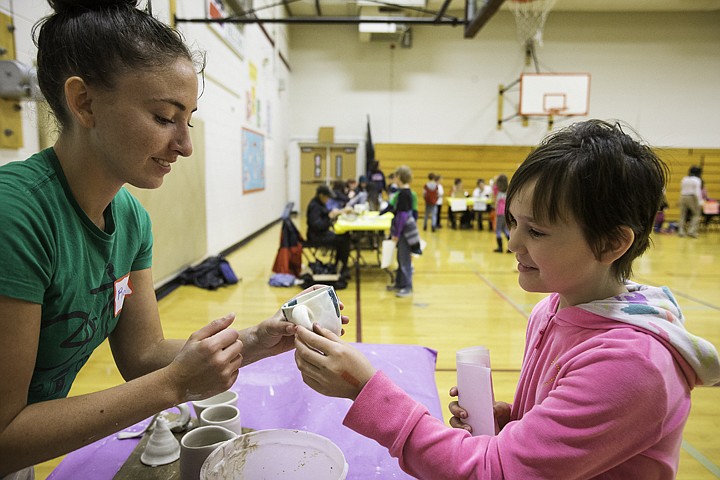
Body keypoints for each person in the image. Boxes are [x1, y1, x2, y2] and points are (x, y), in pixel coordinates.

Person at [0, 3, 351, 478]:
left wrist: (256, 341)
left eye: (189, 119)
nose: (185, 145)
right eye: (165, 117)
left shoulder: (131, 219)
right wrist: (174, 386)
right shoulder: (16, 215)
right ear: (83, 102)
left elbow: (142, 358)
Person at [293, 119, 720, 479]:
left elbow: (493, 473)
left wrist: (365, 390)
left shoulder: (632, 366)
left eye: (536, 231)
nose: (513, 241)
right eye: (513, 221)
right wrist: (514, 422)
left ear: (611, 244)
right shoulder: (552, 307)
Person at [384, 166, 420, 298]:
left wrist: (396, 234)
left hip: (405, 232)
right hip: (403, 230)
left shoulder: (404, 193)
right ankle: (399, 283)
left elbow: (403, 216)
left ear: (399, 177)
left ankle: (407, 286)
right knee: (400, 258)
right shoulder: (404, 192)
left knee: (404, 259)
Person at [305, 184, 352, 275]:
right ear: (321, 195)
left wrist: (338, 213)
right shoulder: (315, 206)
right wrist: (329, 218)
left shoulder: (320, 203)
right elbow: (318, 226)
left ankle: (339, 265)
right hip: (316, 236)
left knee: (345, 236)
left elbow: (326, 214)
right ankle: (342, 268)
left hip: (321, 233)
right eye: (327, 197)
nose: (328, 200)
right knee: (344, 240)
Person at [678, 165, 703, 238]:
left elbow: (682, 189)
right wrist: (700, 202)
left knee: (682, 214)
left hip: (682, 196)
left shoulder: (684, 179)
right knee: (696, 214)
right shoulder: (697, 180)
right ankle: (691, 231)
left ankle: (681, 231)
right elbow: (697, 192)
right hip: (692, 197)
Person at [493, 174, 511, 252]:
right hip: (506, 212)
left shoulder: (497, 191)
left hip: (500, 212)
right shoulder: (508, 191)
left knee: (498, 229)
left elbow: (494, 185)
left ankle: (500, 248)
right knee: (505, 229)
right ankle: (510, 247)